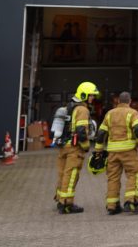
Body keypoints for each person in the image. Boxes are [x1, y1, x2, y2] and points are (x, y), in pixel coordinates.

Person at [93, 91, 138, 215]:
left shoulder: (109, 114)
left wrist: (98, 151)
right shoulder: (133, 113)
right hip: (128, 151)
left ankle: (112, 205)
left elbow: (101, 134)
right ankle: (130, 202)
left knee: (113, 178)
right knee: (133, 175)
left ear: (118, 101)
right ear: (130, 101)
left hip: (112, 152)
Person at [55, 81, 99, 214]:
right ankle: (67, 203)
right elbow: (81, 130)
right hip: (74, 148)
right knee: (72, 174)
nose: (93, 98)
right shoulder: (82, 109)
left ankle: (59, 199)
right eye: (91, 95)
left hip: (64, 145)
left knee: (63, 174)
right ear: (84, 94)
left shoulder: (69, 106)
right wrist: (86, 146)